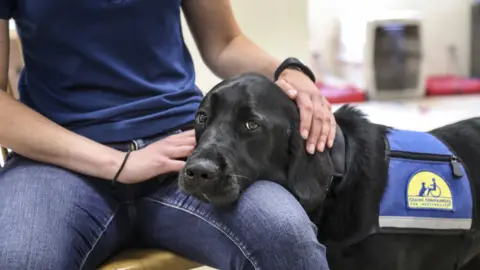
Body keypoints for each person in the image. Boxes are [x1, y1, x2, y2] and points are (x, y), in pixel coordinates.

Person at [0, 1, 336, 269]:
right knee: (20, 261)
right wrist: (120, 163)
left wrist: (289, 72)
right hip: (59, 162)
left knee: (284, 235)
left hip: (181, 152)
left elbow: (224, 43)